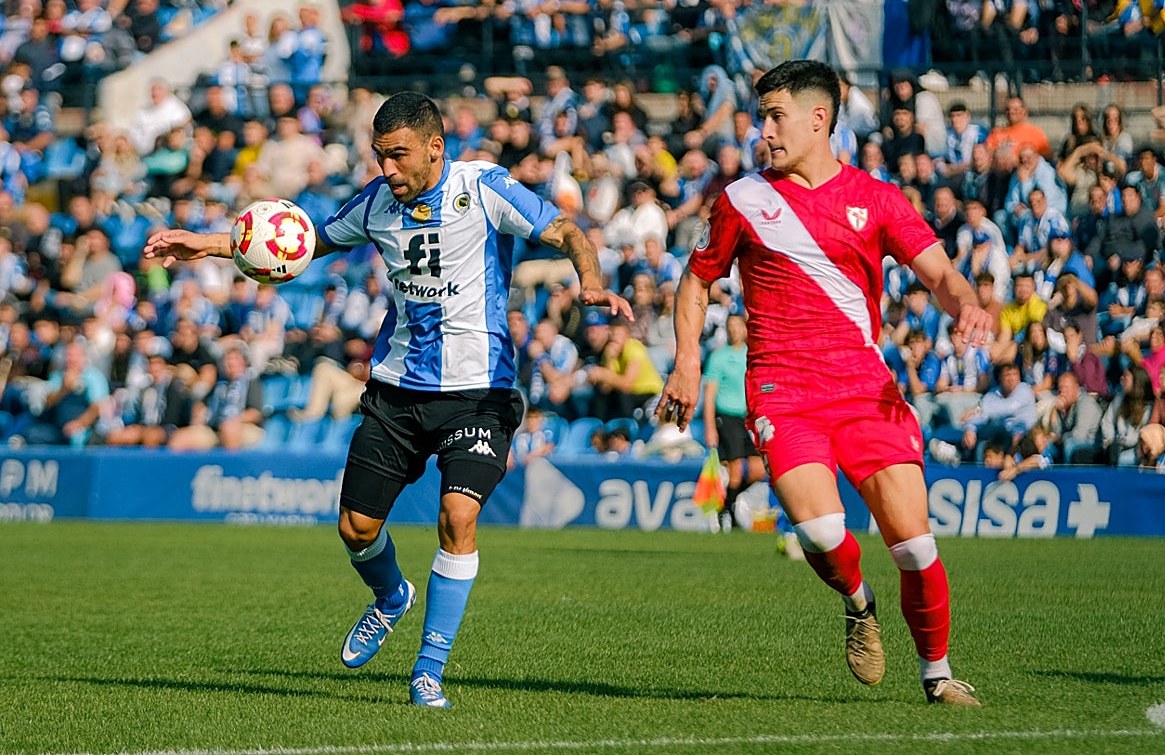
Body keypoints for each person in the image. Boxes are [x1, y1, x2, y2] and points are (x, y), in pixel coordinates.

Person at [144, 91, 632, 709]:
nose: (389, 170)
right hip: (397, 391)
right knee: (355, 527)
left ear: (436, 146)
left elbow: (565, 229)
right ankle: (390, 596)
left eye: (399, 156)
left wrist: (589, 280)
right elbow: (306, 242)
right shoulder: (377, 203)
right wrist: (210, 245)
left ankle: (428, 671)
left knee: (457, 517)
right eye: (380, 157)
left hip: (478, 394)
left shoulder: (483, 188)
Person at [656, 60, 989, 707]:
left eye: (776, 116)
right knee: (819, 532)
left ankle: (938, 674)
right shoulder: (743, 200)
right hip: (785, 390)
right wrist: (688, 359)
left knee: (916, 545)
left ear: (819, 119)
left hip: (867, 390)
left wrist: (967, 305)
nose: (764, 130)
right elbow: (697, 279)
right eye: (761, 116)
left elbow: (943, 276)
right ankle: (859, 604)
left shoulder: (881, 198)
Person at [702, 313, 765, 532]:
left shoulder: (752, 355)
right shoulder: (719, 357)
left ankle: (729, 503)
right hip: (727, 416)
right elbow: (710, 392)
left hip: (748, 418)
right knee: (735, 467)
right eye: (730, 326)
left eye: (738, 326)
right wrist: (710, 425)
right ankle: (729, 513)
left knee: (758, 469)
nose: (734, 330)